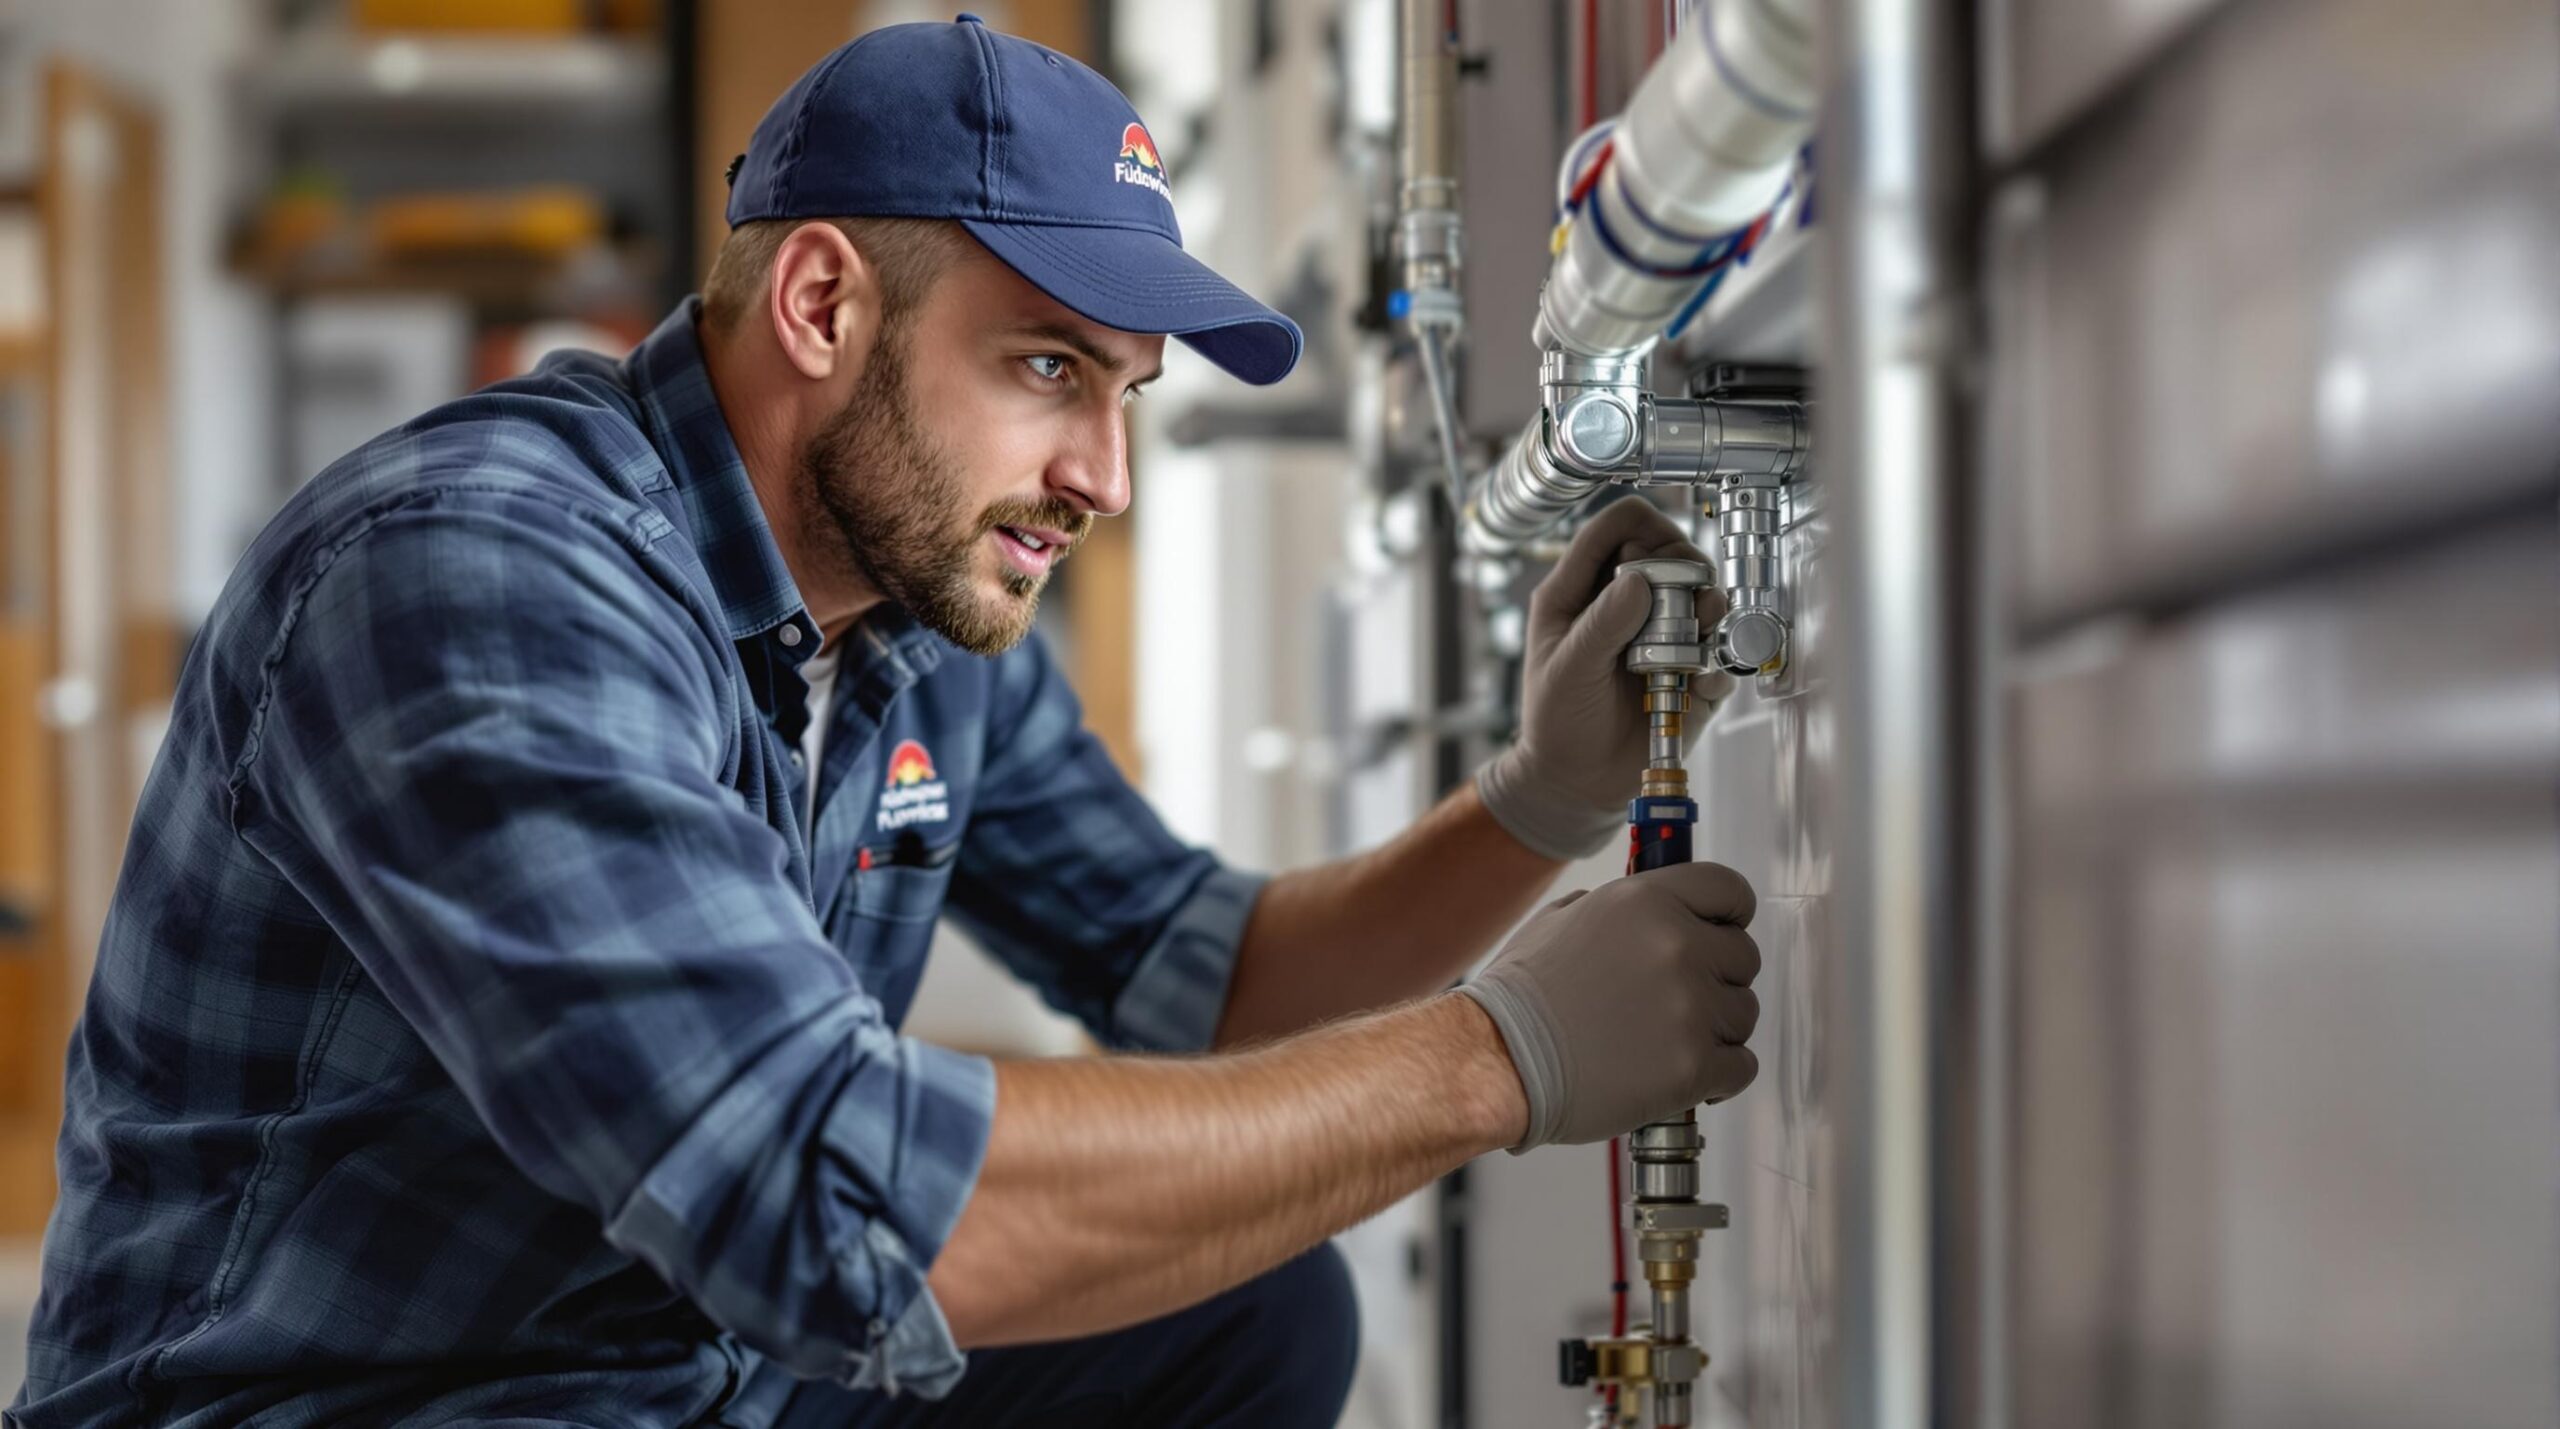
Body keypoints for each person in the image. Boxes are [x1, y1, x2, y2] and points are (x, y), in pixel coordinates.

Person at [12, 16, 1759, 1429]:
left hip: (688, 1372)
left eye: (1127, 394)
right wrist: (1496, 1060)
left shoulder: (920, 609)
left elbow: (1203, 970)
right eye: (1049, 366)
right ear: (822, 305)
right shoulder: (478, 577)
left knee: (1248, 1311)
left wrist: (1537, 801)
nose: (1105, 477)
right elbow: (820, 1196)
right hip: (390, 1399)